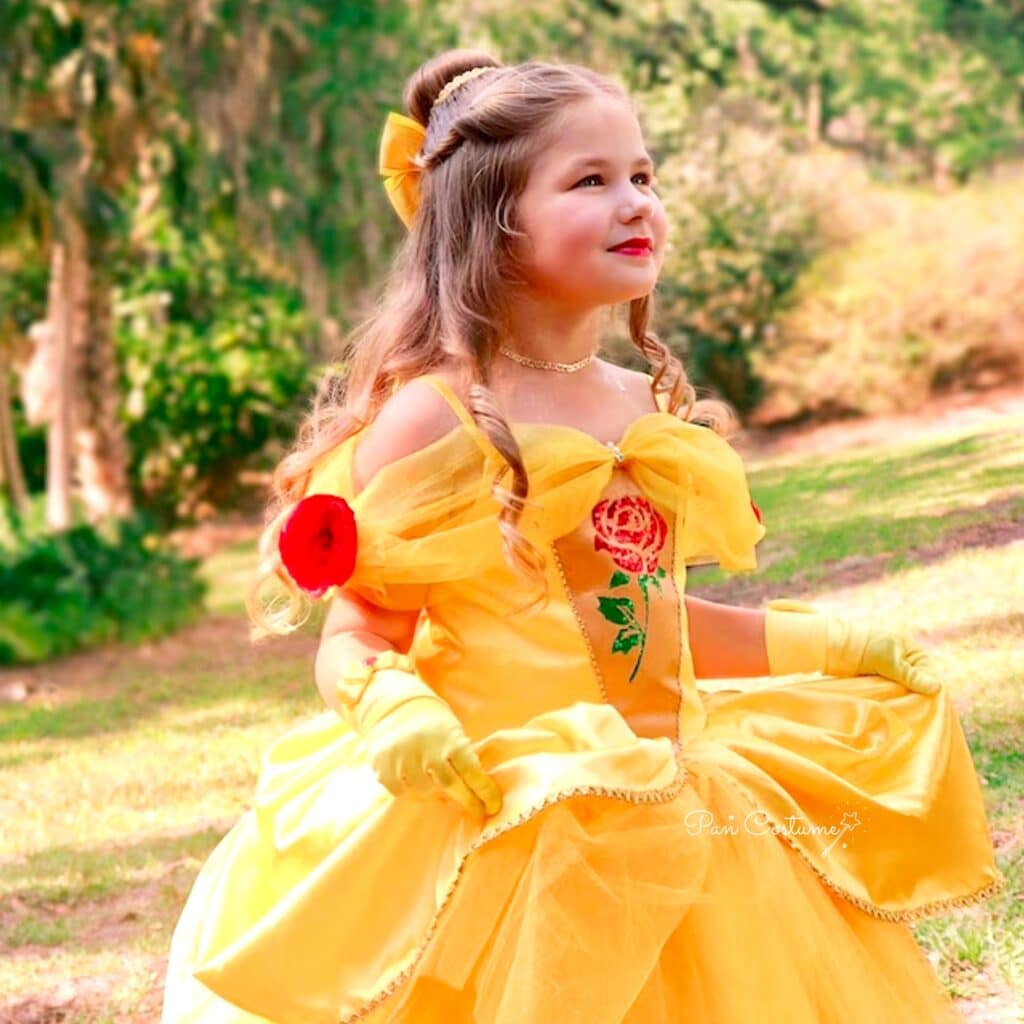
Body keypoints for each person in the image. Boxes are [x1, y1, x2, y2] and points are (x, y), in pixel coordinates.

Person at [160, 49, 1005, 1024]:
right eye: (591, 180)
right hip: (509, 807)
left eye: (644, 175)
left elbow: (636, 625)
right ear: (493, 222)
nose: (635, 202)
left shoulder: (638, 403)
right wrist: (392, 709)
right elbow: (359, 628)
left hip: (673, 792)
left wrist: (834, 644)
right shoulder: (436, 417)